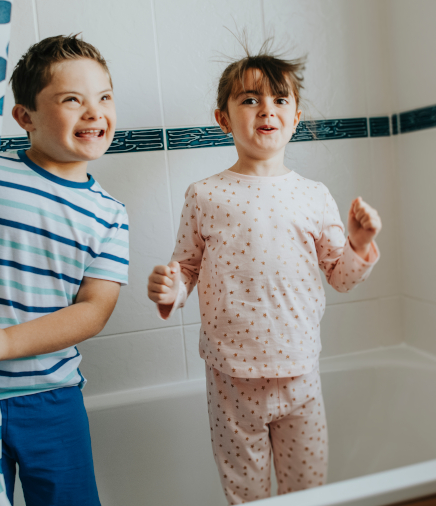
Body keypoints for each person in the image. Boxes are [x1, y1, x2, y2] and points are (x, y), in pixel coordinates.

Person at [147, 43, 382, 503]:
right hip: (231, 379)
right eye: (250, 99)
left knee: (307, 492)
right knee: (245, 494)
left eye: (279, 100)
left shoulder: (313, 195)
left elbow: (340, 275)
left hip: (300, 374)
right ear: (224, 119)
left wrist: (358, 244)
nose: (266, 110)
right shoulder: (206, 195)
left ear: (294, 118)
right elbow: (188, 268)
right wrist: (170, 290)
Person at [0, 35, 129, 505]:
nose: (94, 112)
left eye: (104, 97)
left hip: (52, 396)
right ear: (25, 116)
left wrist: (6, 342)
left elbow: (94, 310)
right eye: (73, 99)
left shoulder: (109, 213)